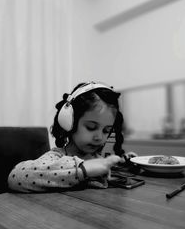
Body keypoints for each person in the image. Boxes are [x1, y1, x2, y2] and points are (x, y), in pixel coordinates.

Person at [8, 81, 136, 192]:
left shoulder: (97, 157)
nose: (99, 137)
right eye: (91, 127)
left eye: (106, 130)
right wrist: (82, 169)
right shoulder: (57, 157)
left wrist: (125, 164)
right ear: (70, 123)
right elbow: (16, 177)